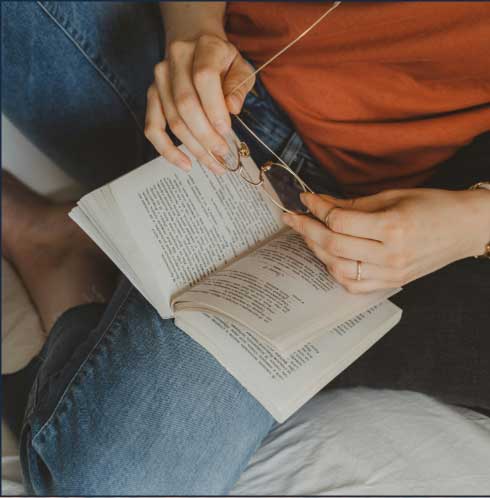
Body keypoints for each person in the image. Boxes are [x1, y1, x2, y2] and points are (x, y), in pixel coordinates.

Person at [2, 1, 489, 495]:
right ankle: (84, 261)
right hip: (215, 72)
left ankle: (66, 260)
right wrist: (193, 30)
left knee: (113, 485)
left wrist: (473, 222)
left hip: (364, 211)